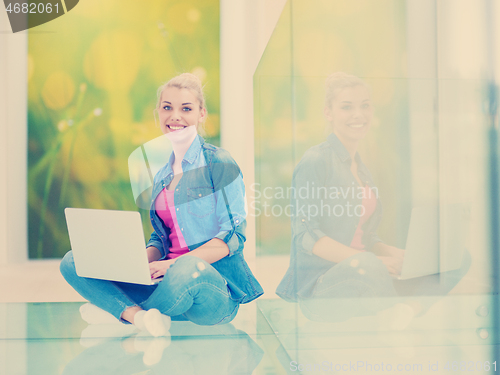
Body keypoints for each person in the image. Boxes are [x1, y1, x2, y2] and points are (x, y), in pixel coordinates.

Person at [60, 73, 263, 336]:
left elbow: (233, 236)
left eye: (186, 109)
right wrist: (136, 264)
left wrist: (172, 266)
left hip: (210, 287)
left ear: (201, 114)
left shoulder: (219, 162)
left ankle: (119, 311)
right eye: (167, 108)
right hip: (165, 285)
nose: (175, 116)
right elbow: (161, 237)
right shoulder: (160, 176)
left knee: (187, 268)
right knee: (73, 260)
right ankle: (140, 317)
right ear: (158, 114)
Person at [275, 72, 468, 324]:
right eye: (347, 107)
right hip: (324, 285)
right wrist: (371, 260)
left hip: (367, 270)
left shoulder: (361, 168)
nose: (359, 114)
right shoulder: (316, 160)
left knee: (456, 256)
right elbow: (306, 236)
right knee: (370, 268)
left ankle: (406, 310)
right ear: (328, 113)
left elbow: (366, 237)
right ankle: (394, 315)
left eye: (365, 105)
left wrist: (400, 255)